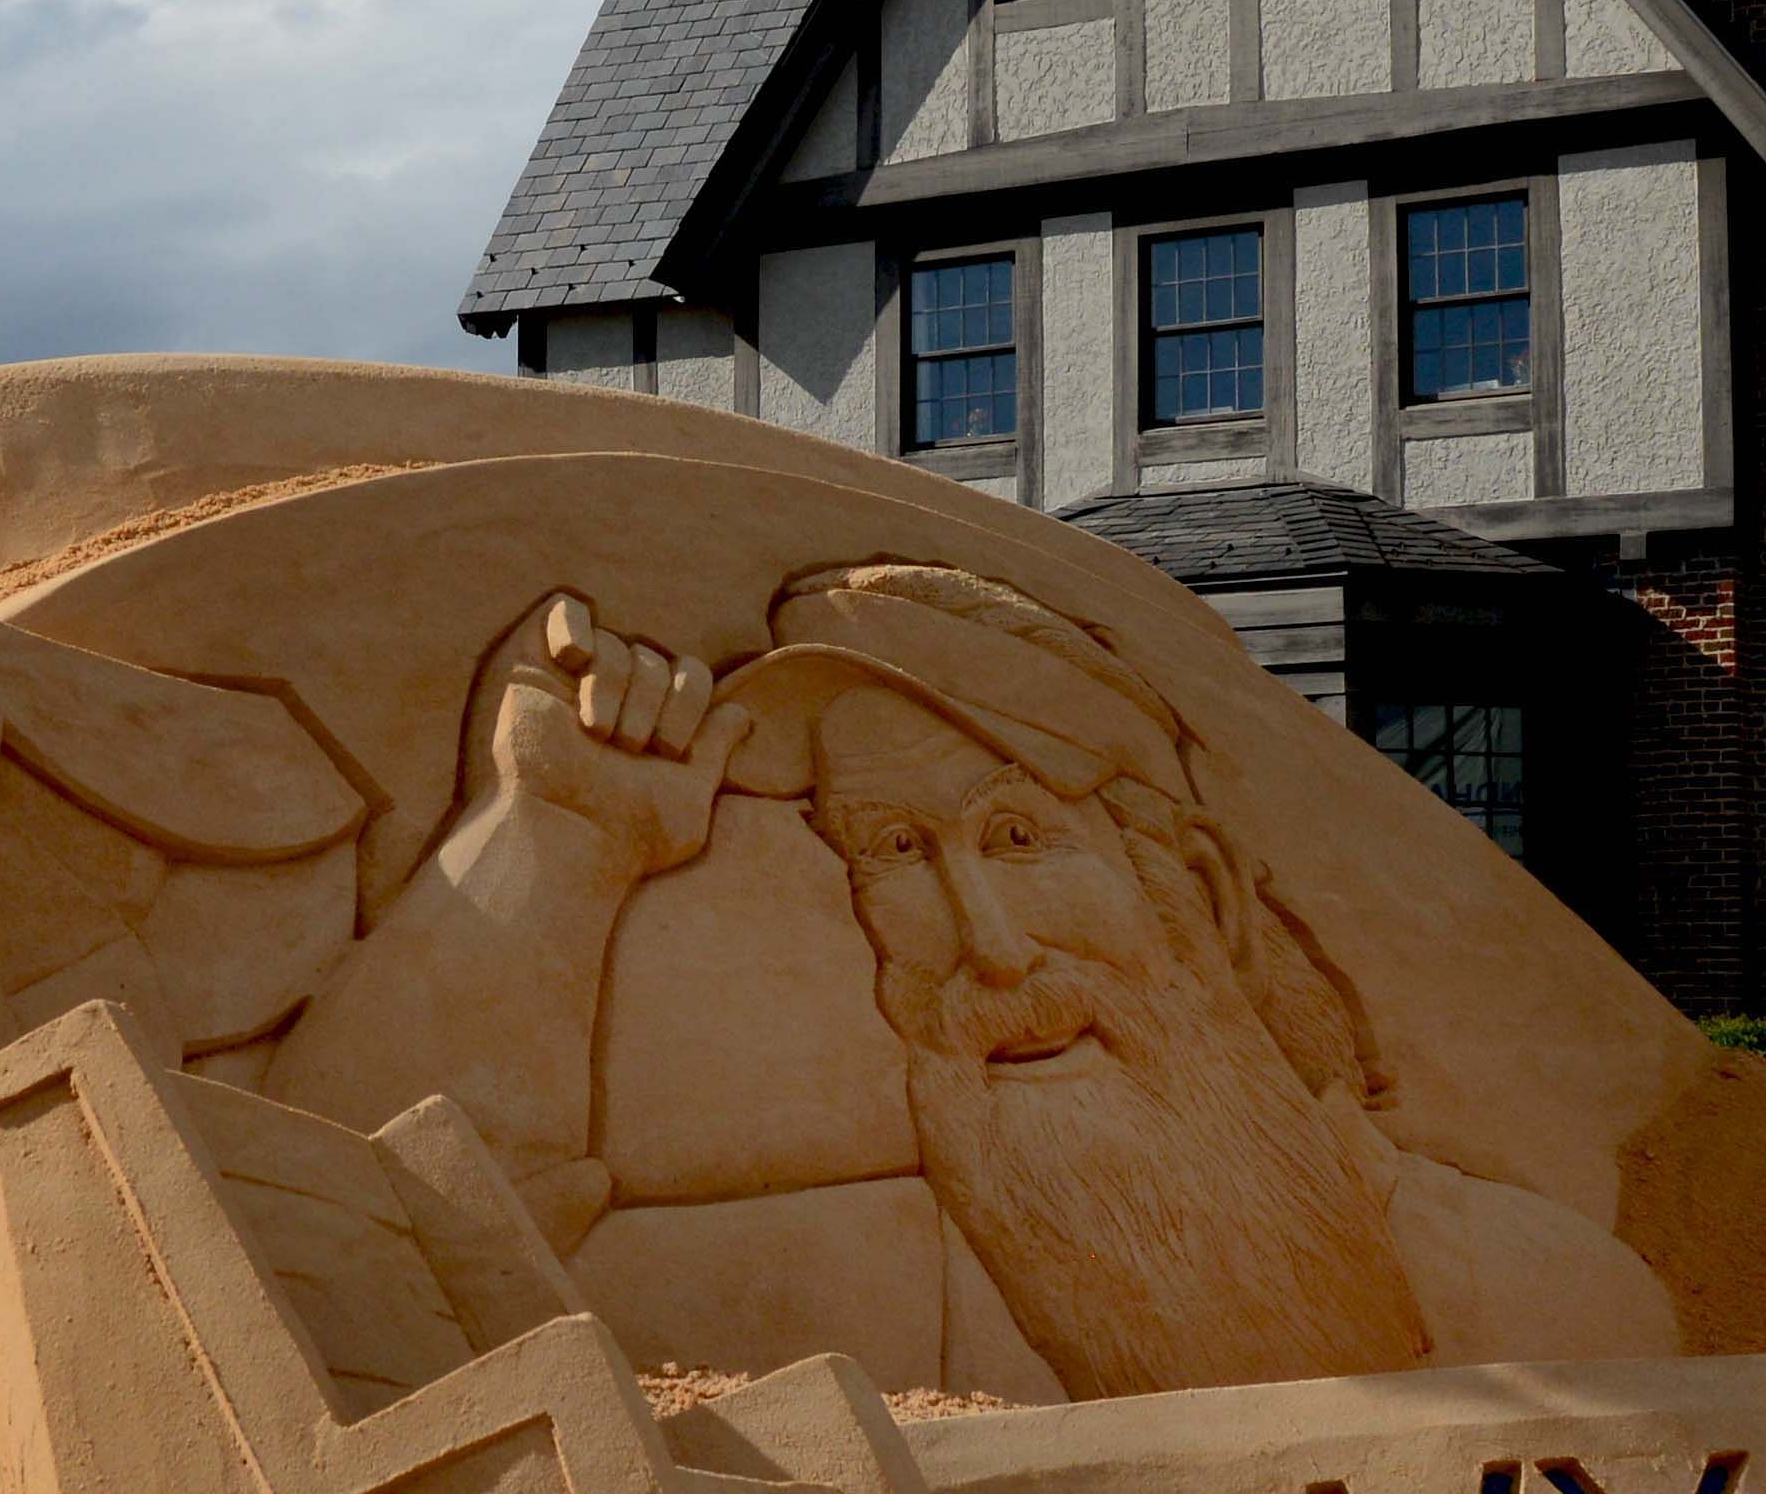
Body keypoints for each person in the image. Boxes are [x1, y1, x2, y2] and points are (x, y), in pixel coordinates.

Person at [266, 560, 1647, 1399]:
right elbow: (344, 1259)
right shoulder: (858, 1290)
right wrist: (559, 846)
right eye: (900, 853)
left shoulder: (1538, 1293)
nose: (987, 943)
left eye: (1023, 837)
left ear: (1203, 896)